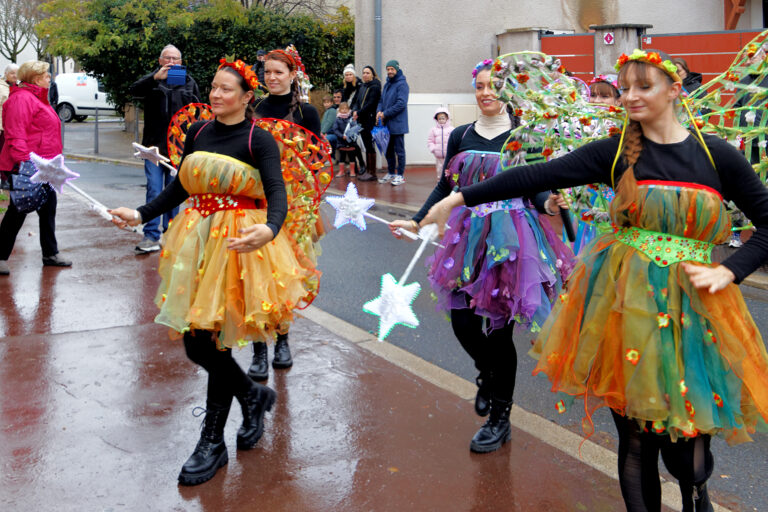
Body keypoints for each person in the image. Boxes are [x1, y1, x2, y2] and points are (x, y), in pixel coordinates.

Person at [422, 50, 768, 511]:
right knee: (638, 438)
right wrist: (458, 199)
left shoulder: (715, 155)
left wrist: (729, 269)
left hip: (694, 311)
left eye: (643, 86)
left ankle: (696, 494)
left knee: (686, 449)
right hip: (626, 308)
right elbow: (539, 173)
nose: (629, 96)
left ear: (674, 89)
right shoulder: (619, 150)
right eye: (624, 87)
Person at [108, 58, 319, 486]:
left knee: (214, 340)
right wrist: (140, 213)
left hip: (242, 245)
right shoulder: (198, 131)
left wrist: (270, 227)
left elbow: (276, 192)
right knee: (197, 343)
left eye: (227, 90)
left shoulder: (259, 139)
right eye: (215, 88)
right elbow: (182, 185)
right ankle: (252, 395)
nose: (217, 95)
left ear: (246, 97)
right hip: (198, 240)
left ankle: (212, 442)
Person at [389, 62, 574, 454]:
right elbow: (446, 185)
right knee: (463, 323)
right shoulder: (460, 134)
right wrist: (417, 220)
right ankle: (487, 374)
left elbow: (536, 184)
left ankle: (500, 418)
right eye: (479, 86)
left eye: (493, 86)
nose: (485, 92)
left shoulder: (525, 136)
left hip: (513, 240)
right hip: (467, 237)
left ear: (508, 91)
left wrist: (550, 204)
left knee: (499, 330)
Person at [249, 47, 322, 380]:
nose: (272, 77)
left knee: (285, 275)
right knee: (256, 274)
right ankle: (258, 349)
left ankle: (282, 339)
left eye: (279, 72)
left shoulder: (307, 113)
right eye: (268, 72)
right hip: (257, 200)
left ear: (293, 75)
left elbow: (317, 162)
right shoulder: (254, 109)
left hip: (293, 205)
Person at [0, 60, 72, 276]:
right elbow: (16, 134)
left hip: (46, 166)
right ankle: (0, 255)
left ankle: (50, 253)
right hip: (28, 166)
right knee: (18, 210)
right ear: (35, 77)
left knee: (48, 209)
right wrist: (26, 163)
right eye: (46, 75)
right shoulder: (21, 99)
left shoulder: (38, 98)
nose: (50, 78)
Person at [129, 44, 200, 254]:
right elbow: (134, 91)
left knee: (173, 192)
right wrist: (155, 79)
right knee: (153, 188)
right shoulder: (152, 81)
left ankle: (170, 234)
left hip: (178, 149)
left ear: (181, 62)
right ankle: (150, 235)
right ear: (160, 61)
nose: (171, 62)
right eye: (167, 58)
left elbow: (197, 112)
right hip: (153, 147)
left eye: (175, 59)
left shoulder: (188, 82)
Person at [376, 60, 409, 186]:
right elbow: (381, 100)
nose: (390, 71)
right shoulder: (387, 84)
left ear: (397, 69)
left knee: (399, 151)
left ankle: (400, 175)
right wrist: (379, 111)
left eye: (392, 69)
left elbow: (401, 104)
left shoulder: (402, 84)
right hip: (386, 124)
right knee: (388, 150)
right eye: (388, 69)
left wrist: (385, 113)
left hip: (398, 124)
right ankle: (391, 172)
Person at [352, 65, 382, 181]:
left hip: (369, 119)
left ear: (373, 75)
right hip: (361, 119)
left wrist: (358, 112)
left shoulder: (375, 87)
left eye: (368, 73)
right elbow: (356, 100)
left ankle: (372, 172)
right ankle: (368, 171)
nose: (365, 75)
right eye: (364, 73)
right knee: (366, 143)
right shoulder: (362, 86)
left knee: (369, 144)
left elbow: (371, 104)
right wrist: (355, 110)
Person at [331, 101, 361, 177]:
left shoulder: (351, 119)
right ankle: (341, 171)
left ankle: (352, 171)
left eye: (346, 109)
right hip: (341, 141)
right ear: (339, 110)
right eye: (342, 109)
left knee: (352, 156)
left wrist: (351, 135)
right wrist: (341, 136)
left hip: (350, 141)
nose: (344, 110)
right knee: (342, 156)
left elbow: (355, 128)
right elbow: (335, 129)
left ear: (348, 110)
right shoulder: (337, 119)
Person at [426, 107, 454, 180]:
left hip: (449, 154)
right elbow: (430, 141)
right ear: (436, 119)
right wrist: (433, 149)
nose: (441, 120)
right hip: (438, 154)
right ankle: (440, 181)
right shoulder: (433, 130)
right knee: (439, 168)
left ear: (447, 118)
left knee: (449, 168)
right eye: (439, 119)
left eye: (443, 118)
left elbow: (454, 141)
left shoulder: (451, 129)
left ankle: (448, 180)